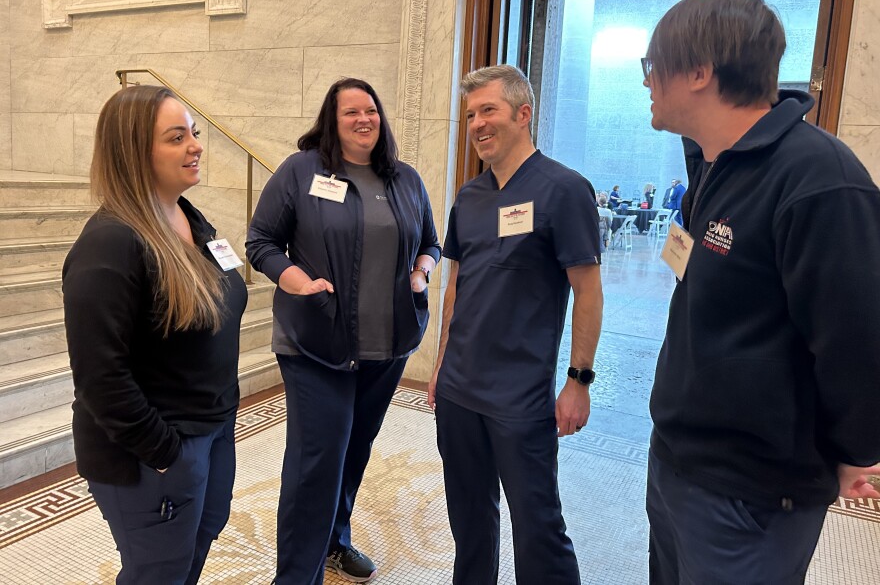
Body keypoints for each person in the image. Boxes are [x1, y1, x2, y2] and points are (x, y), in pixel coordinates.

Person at [642, 0, 880, 585]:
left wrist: (858, 450)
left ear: (699, 71)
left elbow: (855, 336)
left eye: (653, 66)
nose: (647, 82)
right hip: (677, 461)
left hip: (753, 493)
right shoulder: (716, 163)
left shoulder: (818, 177)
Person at [246, 78, 440, 584]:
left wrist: (422, 272)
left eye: (370, 110)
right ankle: (294, 576)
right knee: (316, 463)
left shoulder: (405, 179)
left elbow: (432, 242)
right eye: (350, 111)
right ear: (331, 122)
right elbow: (261, 240)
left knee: (355, 447)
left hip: (389, 344)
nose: (363, 119)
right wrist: (296, 280)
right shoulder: (301, 171)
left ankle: (335, 542)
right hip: (316, 344)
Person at [63, 85, 248, 584]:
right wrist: (167, 454)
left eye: (193, 132)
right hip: (152, 452)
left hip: (209, 431)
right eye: (176, 137)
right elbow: (101, 379)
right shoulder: (110, 244)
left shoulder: (189, 219)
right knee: (158, 572)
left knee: (190, 555)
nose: (196, 145)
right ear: (133, 153)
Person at [428, 64, 603, 584]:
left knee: (538, 525)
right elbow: (456, 286)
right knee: (469, 520)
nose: (478, 124)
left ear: (523, 114)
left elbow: (588, 291)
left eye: (489, 111)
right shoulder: (470, 197)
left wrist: (579, 381)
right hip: (459, 391)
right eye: (471, 115)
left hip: (520, 397)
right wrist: (439, 365)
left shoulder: (565, 190)